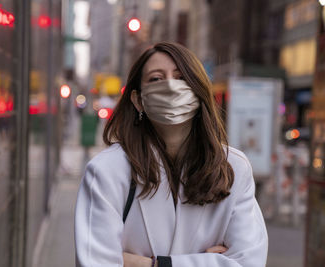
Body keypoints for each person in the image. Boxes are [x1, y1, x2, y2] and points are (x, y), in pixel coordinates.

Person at [75, 42, 268, 267]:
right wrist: (210, 261)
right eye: (156, 79)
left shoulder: (234, 167)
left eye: (181, 77)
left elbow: (249, 262)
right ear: (138, 101)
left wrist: (150, 264)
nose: (170, 86)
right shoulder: (106, 171)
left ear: (198, 91)